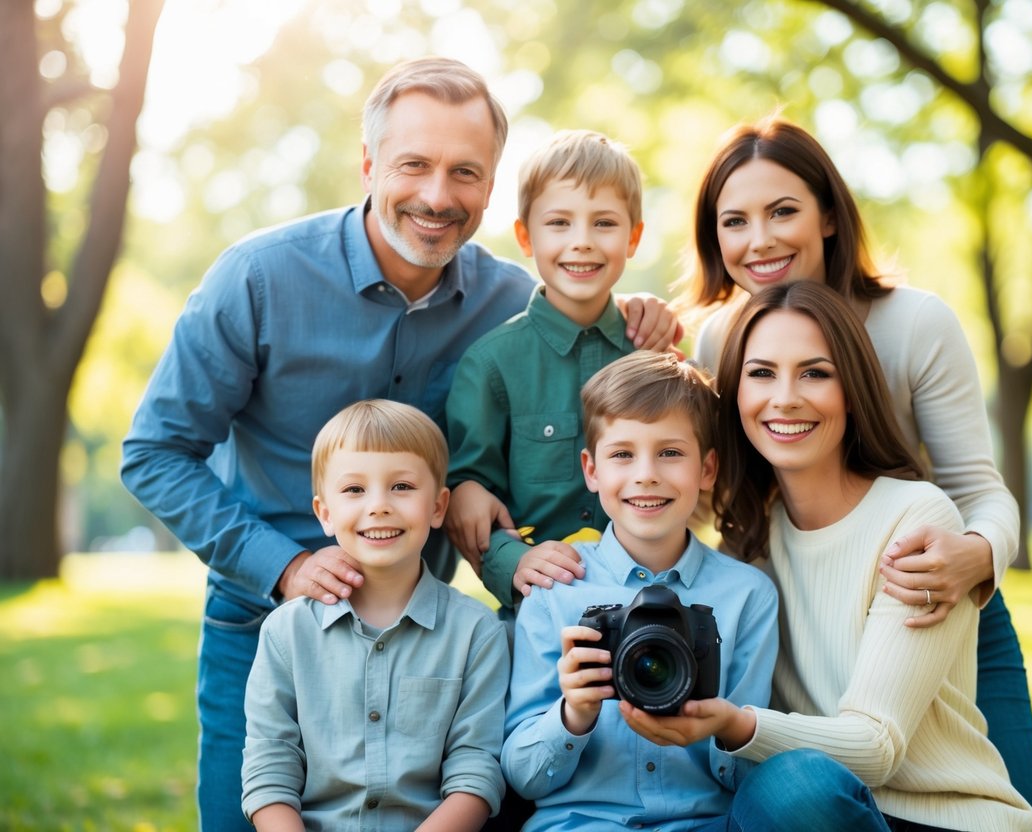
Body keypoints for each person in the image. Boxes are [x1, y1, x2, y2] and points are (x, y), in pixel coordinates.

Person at [120, 56, 679, 831]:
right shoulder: (257, 279)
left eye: (465, 173)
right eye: (413, 165)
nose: (437, 196)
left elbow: (587, 328)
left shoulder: (510, 305)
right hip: (264, 625)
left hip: (431, 642)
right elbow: (154, 452)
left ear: (490, 186)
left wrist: (634, 315)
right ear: (368, 164)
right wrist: (284, 568)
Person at [681, 115, 1032, 825]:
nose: (760, 239)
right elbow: (696, 472)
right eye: (735, 221)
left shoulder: (912, 323)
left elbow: (978, 490)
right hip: (798, 584)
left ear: (826, 215)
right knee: (791, 790)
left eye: (782, 210)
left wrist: (969, 557)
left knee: (993, 801)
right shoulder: (722, 337)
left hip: (930, 585)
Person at [625, 282, 1032, 831]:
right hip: (824, 812)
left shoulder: (915, 519)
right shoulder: (748, 541)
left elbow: (876, 747)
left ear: (852, 389)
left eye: (815, 373)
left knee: (788, 789)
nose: (786, 397)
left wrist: (735, 725)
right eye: (762, 373)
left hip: (942, 818)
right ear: (737, 395)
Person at [502, 350, 780, 831]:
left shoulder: (747, 596)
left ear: (706, 469)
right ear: (592, 470)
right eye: (622, 454)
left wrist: (725, 726)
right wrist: (573, 713)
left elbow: (752, 780)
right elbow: (523, 777)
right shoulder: (555, 590)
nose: (646, 473)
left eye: (670, 453)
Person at [241, 399, 507, 830]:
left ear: (438, 507)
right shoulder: (287, 631)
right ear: (324, 513)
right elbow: (270, 765)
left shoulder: (476, 632)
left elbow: (475, 773)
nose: (379, 505)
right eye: (354, 490)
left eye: (402, 486)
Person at [444, 129, 647, 610]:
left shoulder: (653, 359)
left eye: (604, 223)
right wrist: (512, 561)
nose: (582, 243)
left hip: (649, 605)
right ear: (525, 237)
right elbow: (468, 497)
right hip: (541, 609)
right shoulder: (491, 364)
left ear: (634, 237)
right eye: (559, 223)